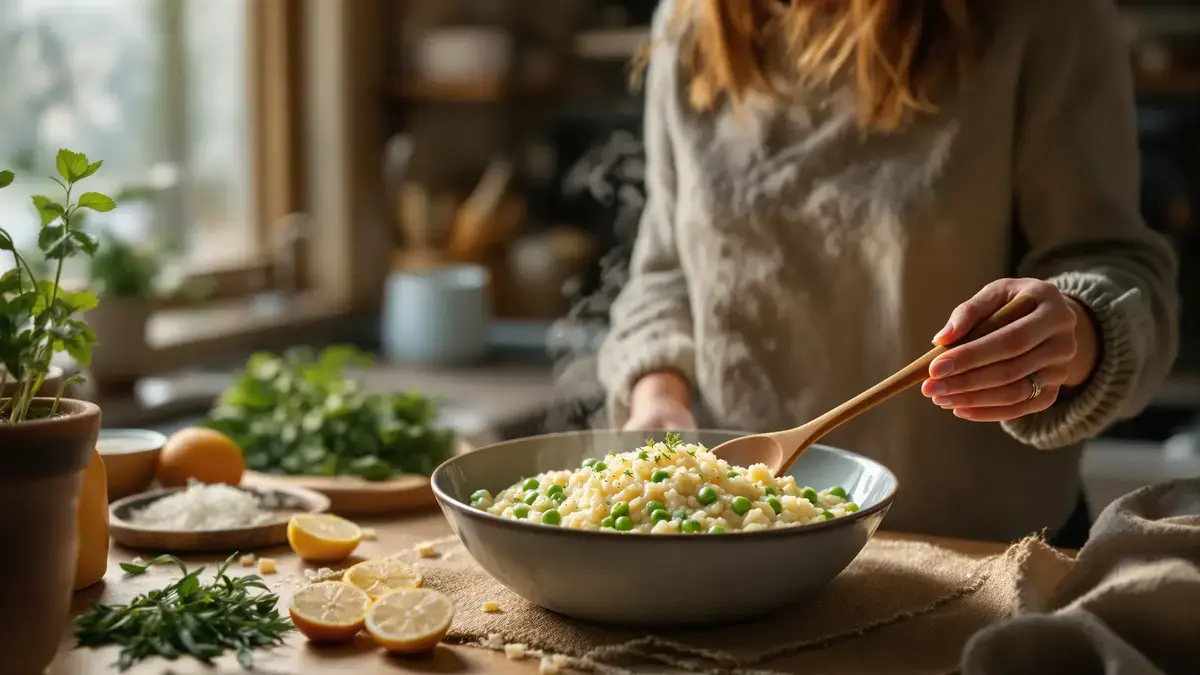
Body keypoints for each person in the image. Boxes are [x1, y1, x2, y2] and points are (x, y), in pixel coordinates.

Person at [597, 0, 1179, 548]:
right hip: (737, 549)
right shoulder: (691, 20)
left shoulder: (1047, 18)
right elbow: (667, 272)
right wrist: (658, 399)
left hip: (983, 556)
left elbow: (1125, 273)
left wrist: (1073, 332)